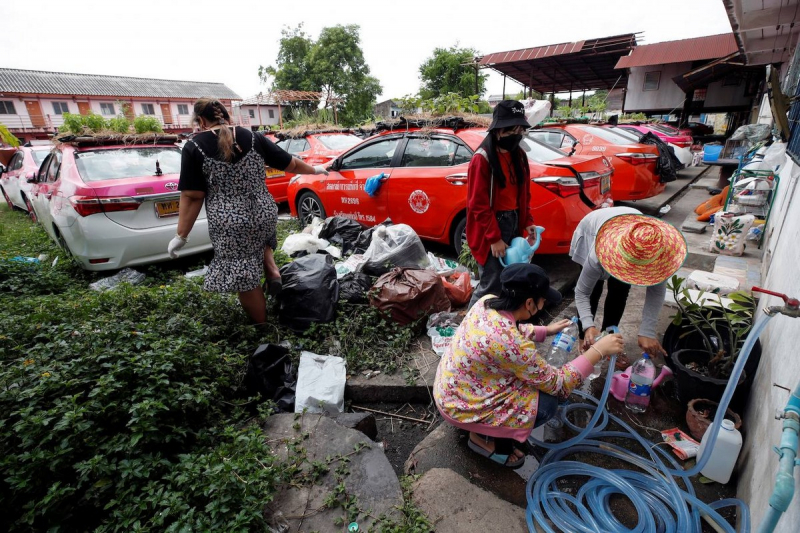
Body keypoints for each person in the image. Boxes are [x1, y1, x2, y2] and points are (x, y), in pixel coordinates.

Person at [434, 263, 625, 469]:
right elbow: (559, 384)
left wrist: (545, 330)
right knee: (547, 403)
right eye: (542, 300)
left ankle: (485, 428)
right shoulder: (514, 346)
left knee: (530, 383)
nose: (543, 304)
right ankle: (481, 437)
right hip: (461, 407)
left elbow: (509, 330)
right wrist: (597, 352)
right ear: (529, 303)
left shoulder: (486, 302)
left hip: (451, 389)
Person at [170, 98, 328, 325]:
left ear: (201, 120)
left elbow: (193, 196)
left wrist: (181, 236)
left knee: (243, 276)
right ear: (225, 115)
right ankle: (272, 271)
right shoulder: (253, 137)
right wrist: (315, 169)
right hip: (264, 212)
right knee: (259, 239)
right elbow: (289, 164)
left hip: (230, 223)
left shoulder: (194, 146)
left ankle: (263, 326)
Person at [569, 206, 687, 358]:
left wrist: (647, 331)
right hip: (591, 229)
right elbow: (582, 292)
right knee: (593, 291)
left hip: (630, 230)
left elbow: (656, 293)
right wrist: (588, 326)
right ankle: (584, 339)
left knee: (619, 293)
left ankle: (608, 340)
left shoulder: (658, 252)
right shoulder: (597, 254)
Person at [466, 100, 537, 308]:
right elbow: (478, 204)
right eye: (510, 131)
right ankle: (467, 333)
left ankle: (495, 331)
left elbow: (524, 194)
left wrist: (528, 221)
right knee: (490, 284)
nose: (515, 136)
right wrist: (494, 238)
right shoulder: (483, 158)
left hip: (513, 221)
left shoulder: (520, 156)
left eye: (519, 130)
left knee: (509, 279)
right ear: (497, 131)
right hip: (492, 225)